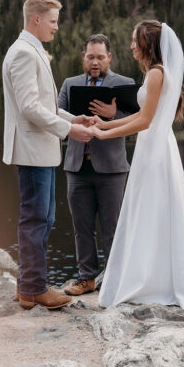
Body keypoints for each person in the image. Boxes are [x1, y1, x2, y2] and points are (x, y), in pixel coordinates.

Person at [90, 20, 184, 311]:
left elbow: (144, 121)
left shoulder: (157, 74)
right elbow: (143, 116)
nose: (131, 45)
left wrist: (104, 133)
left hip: (155, 149)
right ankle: (155, 277)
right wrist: (106, 123)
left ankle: (152, 282)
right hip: (154, 146)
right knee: (151, 210)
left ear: (147, 44)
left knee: (152, 210)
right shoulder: (156, 73)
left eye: (135, 40)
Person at [1, 0, 95, 310]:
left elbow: (44, 105)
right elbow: (29, 108)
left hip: (38, 149)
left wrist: (72, 118)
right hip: (32, 149)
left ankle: (30, 282)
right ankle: (33, 287)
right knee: (38, 218)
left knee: (43, 217)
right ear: (37, 19)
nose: (57, 28)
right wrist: (69, 130)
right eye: (53, 22)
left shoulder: (31, 50)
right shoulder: (24, 53)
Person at [57, 34, 135, 296]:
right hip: (76, 167)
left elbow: (136, 120)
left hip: (111, 168)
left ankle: (114, 281)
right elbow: (55, 117)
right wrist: (74, 125)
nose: (95, 62)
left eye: (100, 57)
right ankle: (87, 278)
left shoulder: (124, 84)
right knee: (82, 227)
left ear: (109, 58)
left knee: (113, 227)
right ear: (83, 57)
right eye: (90, 57)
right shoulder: (69, 84)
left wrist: (115, 115)